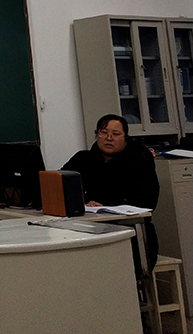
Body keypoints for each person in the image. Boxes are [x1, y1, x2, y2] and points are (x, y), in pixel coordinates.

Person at [62, 113, 160, 271]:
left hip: (130, 230)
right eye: (103, 132)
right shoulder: (83, 159)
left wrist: (105, 207)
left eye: (116, 134)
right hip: (90, 229)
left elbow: (147, 200)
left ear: (125, 137)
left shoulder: (139, 159)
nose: (109, 138)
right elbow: (60, 186)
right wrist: (84, 203)